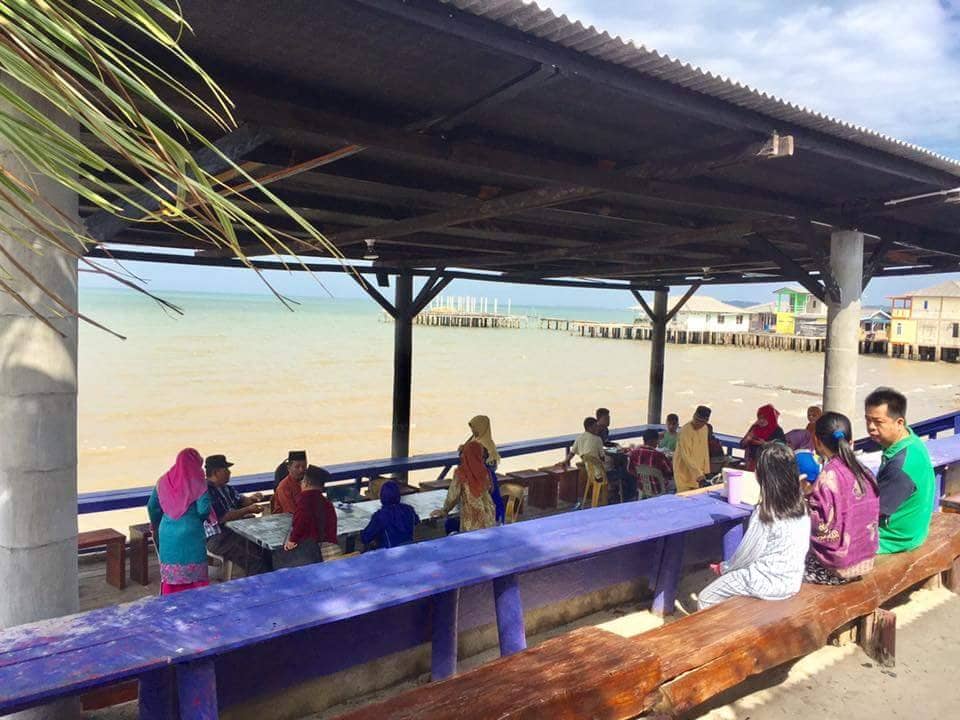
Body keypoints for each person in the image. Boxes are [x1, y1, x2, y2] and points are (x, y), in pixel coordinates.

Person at [698, 443, 810, 609]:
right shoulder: (801, 506)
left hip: (764, 583)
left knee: (705, 598)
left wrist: (724, 568)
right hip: (792, 582)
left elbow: (748, 553)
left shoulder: (766, 511)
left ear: (763, 476)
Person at [804, 412, 880, 585]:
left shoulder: (828, 477)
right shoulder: (865, 472)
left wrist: (804, 504)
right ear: (851, 441)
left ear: (816, 441)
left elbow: (820, 529)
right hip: (866, 559)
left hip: (837, 568)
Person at [865, 387, 936, 554]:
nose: (871, 427)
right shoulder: (911, 440)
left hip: (893, 539)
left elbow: (872, 513)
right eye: (867, 420)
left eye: (878, 422)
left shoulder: (900, 466)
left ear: (899, 423)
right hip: (912, 530)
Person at [147, 448, 214, 595]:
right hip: (191, 531)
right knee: (196, 579)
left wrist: (157, 524)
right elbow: (204, 510)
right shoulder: (199, 481)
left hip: (167, 531)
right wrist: (195, 520)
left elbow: (152, 507)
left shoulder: (163, 481)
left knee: (171, 578)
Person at [204, 454, 270, 576]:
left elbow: (240, 501)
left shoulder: (225, 488)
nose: (229, 472)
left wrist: (252, 499)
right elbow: (222, 517)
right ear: (216, 472)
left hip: (234, 531)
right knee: (255, 560)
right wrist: (248, 510)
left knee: (263, 549)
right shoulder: (207, 491)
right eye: (226, 470)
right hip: (218, 538)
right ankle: (261, 588)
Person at [431, 432, 497, 532]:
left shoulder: (461, 474)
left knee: (452, 525)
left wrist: (444, 510)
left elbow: (452, 497)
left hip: (471, 519)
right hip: (489, 516)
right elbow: (490, 489)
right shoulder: (485, 472)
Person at [283, 465, 338, 555]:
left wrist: (292, 539)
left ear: (306, 483)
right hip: (331, 547)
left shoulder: (304, 500)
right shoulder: (327, 503)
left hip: (312, 550)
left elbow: (300, 521)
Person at [463, 415, 505, 525]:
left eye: (474, 427)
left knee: (491, 501)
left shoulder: (486, 444)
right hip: (479, 477)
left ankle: (496, 521)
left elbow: (491, 464)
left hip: (485, 478)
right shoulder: (476, 440)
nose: (472, 430)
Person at [361, 480, 420, 549]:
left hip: (388, 552)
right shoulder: (409, 509)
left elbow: (366, 537)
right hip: (408, 548)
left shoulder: (380, 516)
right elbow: (416, 521)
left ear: (382, 496)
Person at [673, 406, 712, 493]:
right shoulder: (685, 430)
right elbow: (685, 455)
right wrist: (698, 474)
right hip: (683, 471)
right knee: (684, 497)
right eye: (696, 419)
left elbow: (704, 450)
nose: (697, 423)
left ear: (706, 421)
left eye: (700, 421)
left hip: (698, 472)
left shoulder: (705, 429)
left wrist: (706, 470)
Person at [627, 428, 674, 496]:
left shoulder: (634, 453)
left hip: (642, 486)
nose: (658, 443)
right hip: (659, 488)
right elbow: (670, 472)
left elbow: (630, 469)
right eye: (657, 440)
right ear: (653, 441)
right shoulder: (659, 455)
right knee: (677, 482)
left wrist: (643, 476)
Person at [740, 404, 786, 471]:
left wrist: (765, 444)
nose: (761, 421)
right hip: (752, 465)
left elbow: (783, 449)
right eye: (759, 418)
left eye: (764, 418)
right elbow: (742, 445)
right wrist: (748, 438)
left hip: (769, 467)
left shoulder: (777, 431)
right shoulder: (755, 427)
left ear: (770, 418)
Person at [273, 450, 307, 514]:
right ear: (289, 468)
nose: (301, 470)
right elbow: (291, 511)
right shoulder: (283, 487)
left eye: (304, 466)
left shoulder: (309, 482)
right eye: (297, 467)